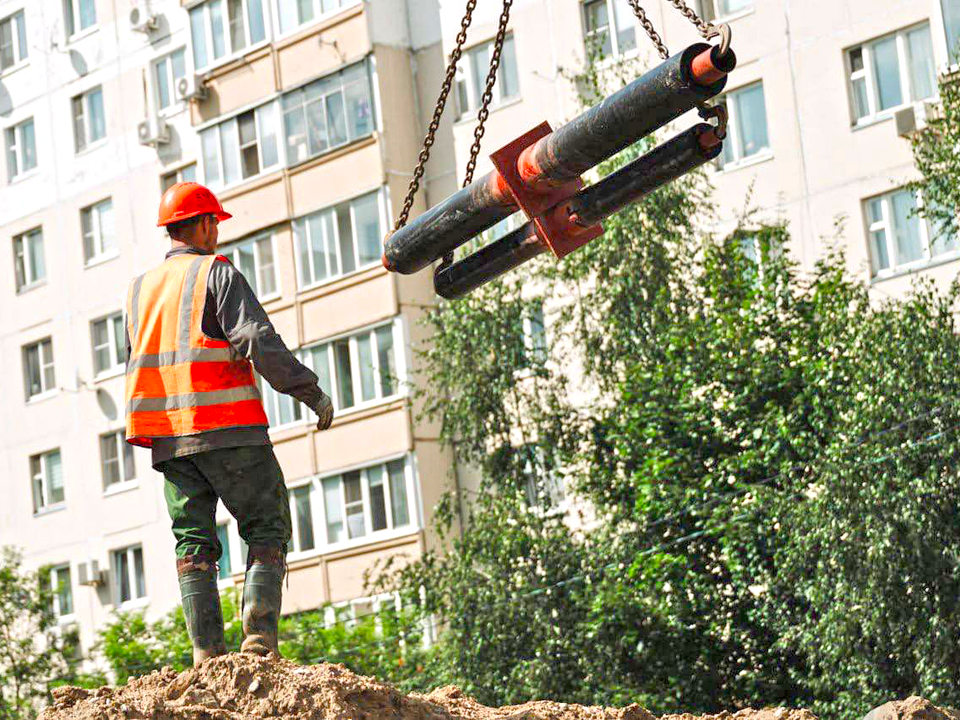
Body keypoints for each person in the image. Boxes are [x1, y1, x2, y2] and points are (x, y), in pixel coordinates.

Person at [123, 182, 334, 664]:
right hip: (228, 426)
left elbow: (138, 361)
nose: (216, 232)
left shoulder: (138, 291)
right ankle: (258, 643)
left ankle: (207, 655)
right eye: (214, 222)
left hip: (170, 441)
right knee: (266, 525)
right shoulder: (215, 274)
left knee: (193, 541)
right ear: (203, 225)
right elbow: (257, 339)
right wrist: (309, 390)